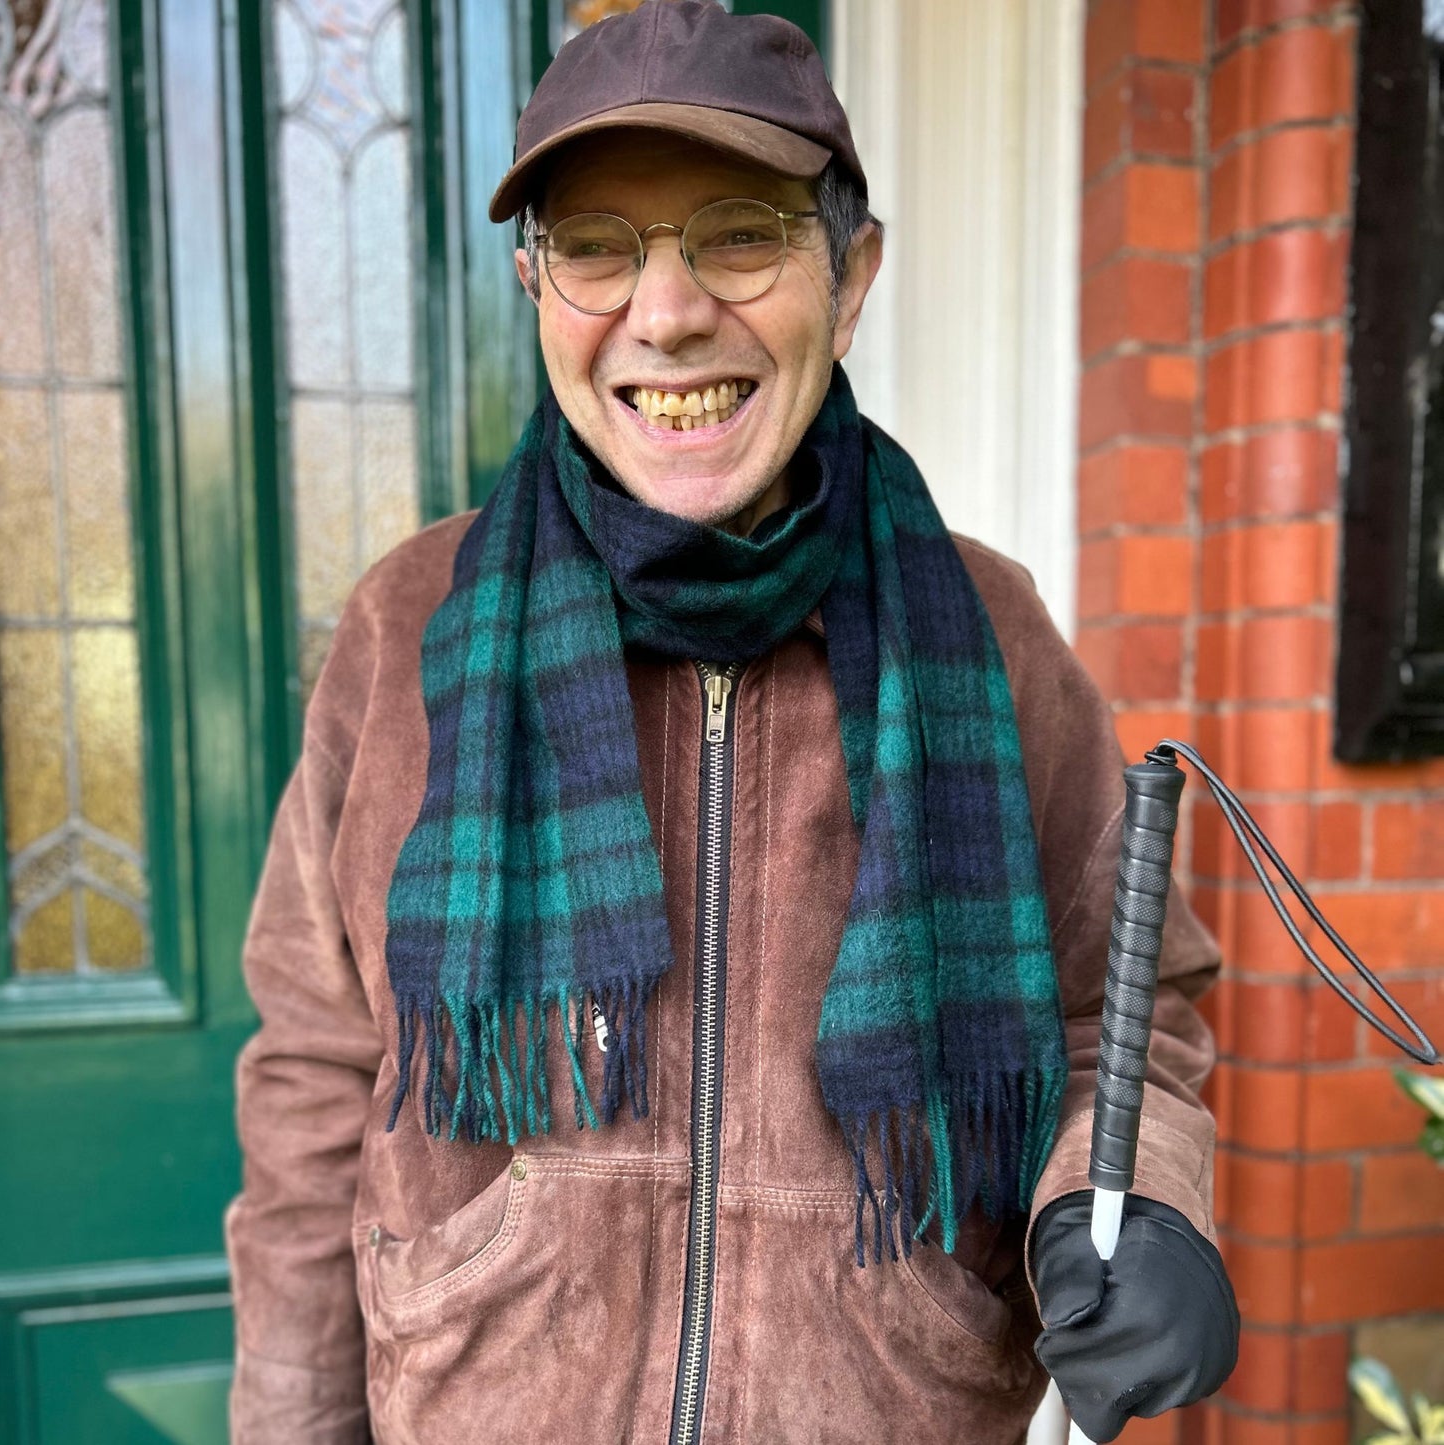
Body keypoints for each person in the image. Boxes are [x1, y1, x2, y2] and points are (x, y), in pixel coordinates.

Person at [226, 4, 1239, 1441]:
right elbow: (318, 1078)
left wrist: (1129, 1203)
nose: (666, 311)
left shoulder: (995, 639)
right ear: (535, 284)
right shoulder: (409, 627)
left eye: (739, 232)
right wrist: (288, 1421)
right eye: (595, 246)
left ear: (853, 271)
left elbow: (1119, 1021)